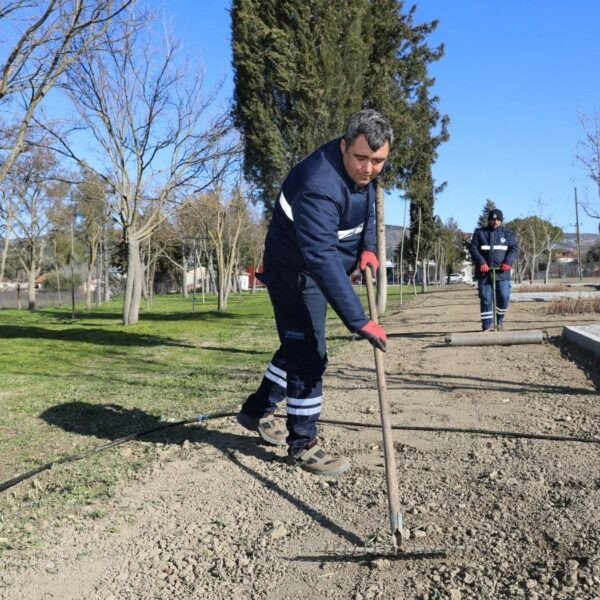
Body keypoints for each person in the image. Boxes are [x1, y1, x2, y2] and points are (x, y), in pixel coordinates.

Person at [236, 109, 393, 476]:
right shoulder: (318, 183)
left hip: (321, 267)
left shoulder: (364, 172)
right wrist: (359, 321)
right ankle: (302, 444)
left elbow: (369, 208)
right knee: (309, 353)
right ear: (343, 146)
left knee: (297, 346)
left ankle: (255, 411)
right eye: (361, 159)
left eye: (378, 161)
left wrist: (368, 247)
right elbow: (320, 256)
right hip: (295, 271)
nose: (369, 169)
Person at [469, 209, 519, 332]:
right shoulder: (480, 233)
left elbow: (514, 249)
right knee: (486, 298)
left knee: (504, 296)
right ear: (489, 220)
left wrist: (508, 262)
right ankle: (487, 325)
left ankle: (499, 320)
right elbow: (474, 249)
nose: (495, 222)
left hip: (502, 272)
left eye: (498, 220)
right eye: (492, 219)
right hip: (484, 272)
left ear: (501, 220)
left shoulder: (507, 234)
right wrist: (482, 263)